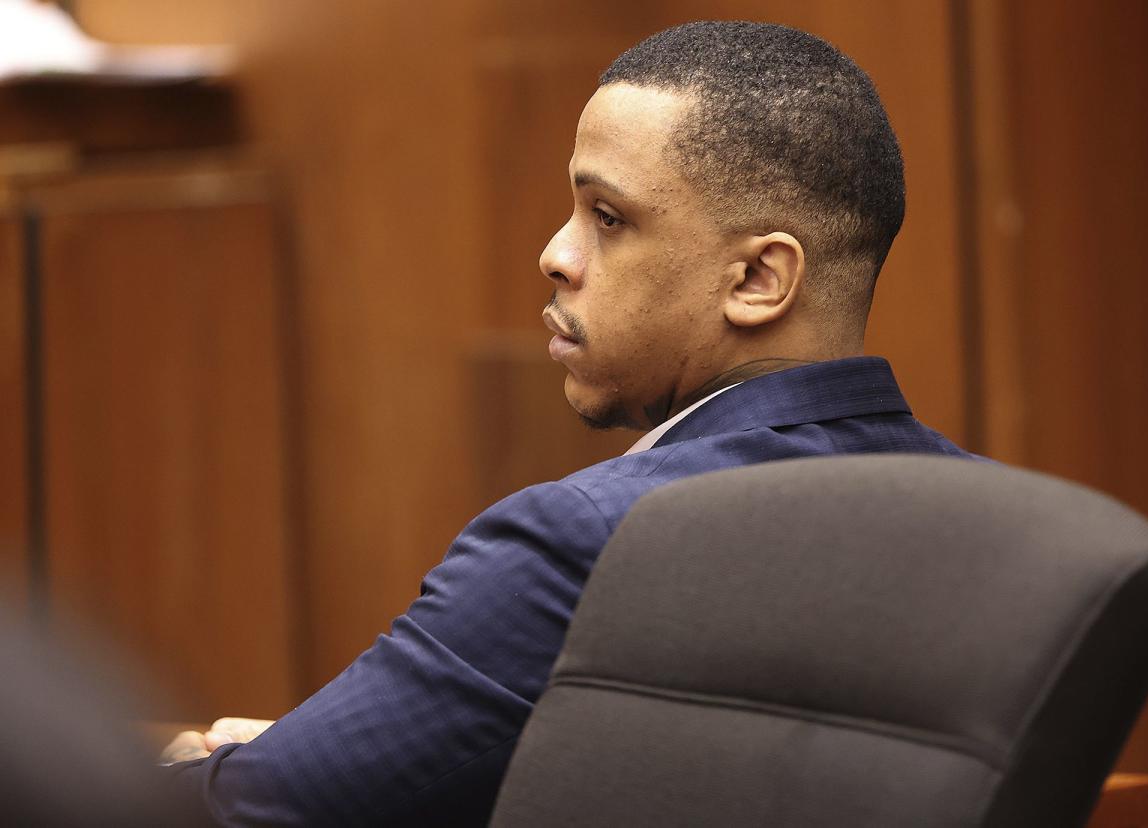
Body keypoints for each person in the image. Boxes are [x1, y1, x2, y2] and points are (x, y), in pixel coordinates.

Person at [165, 20, 972, 824]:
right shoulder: (999, 528)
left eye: (608, 218)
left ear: (759, 278)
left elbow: (227, 814)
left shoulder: (592, 541)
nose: (557, 254)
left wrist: (218, 774)